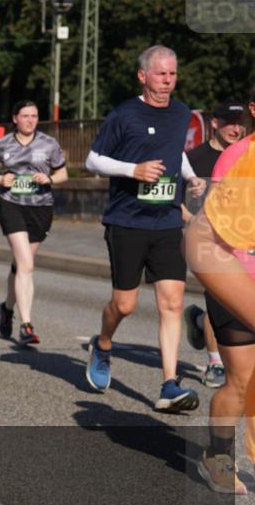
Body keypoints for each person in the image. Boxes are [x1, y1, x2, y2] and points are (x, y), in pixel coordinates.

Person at [84, 45, 206, 412]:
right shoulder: (124, 114)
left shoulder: (181, 112)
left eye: (172, 73)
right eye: (161, 74)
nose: (168, 80)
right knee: (125, 304)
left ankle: (169, 384)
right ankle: (103, 344)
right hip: (127, 221)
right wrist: (132, 170)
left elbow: (174, 152)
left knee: (172, 302)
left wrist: (190, 177)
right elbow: (92, 160)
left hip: (167, 221)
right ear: (143, 76)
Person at [184, 94, 255, 494]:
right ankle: (218, 458)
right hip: (236, 275)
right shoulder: (236, 158)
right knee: (242, 382)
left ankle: (199, 322)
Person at [0, 101, 68, 344]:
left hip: (40, 208)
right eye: (25, 116)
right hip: (11, 205)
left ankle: (6, 309)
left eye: (35, 116)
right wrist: (0, 178)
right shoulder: (3, 144)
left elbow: (63, 173)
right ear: (15, 118)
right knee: (27, 265)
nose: (30, 120)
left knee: (21, 265)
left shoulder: (49, 144)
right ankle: (26, 325)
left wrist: (49, 177)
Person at [182, 100, 248, 388]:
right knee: (219, 301)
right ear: (215, 124)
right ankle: (214, 362)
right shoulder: (195, 159)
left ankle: (198, 323)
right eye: (229, 122)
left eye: (239, 122)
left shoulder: (246, 154)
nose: (235, 128)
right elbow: (179, 202)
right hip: (212, 245)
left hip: (242, 243)